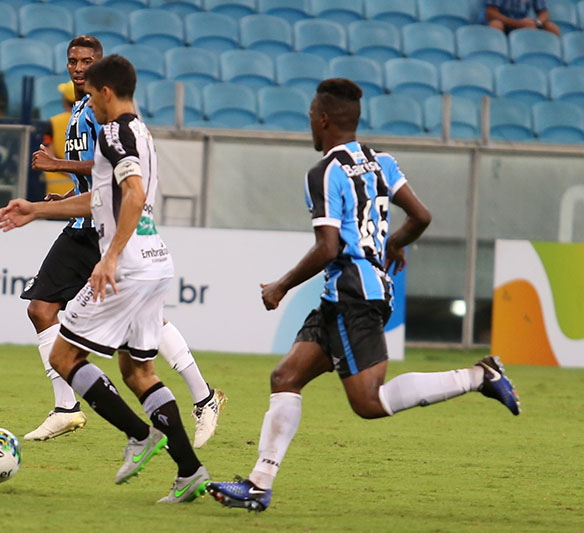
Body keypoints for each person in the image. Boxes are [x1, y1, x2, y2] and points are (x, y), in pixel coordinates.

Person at [206, 78, 521, 513]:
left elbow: (328, 247)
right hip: (348, 293)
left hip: (354, 294)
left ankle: (479, 376)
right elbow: (421, 216)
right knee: (286, 377)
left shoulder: (323, 172)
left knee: (370, 402)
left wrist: (281, 286)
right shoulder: (381, 161)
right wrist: (394, 244)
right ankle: (259, 485)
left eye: (310, 119)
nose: (309, 128)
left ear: (322, 119)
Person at [0, 54, 210, 503]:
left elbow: (131, 195)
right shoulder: (142, 133)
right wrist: (37, 209)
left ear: (107, 92)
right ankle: (189, 472)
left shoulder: (113, 134)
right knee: (138, 371)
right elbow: (103, 199)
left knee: (63, 357)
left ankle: (139, 434)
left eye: (91, 95)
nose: (87, 104)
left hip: (129, 268)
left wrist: (109, 257)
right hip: (155, 262)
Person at [41, 81, 76, 198]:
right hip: (85, 192)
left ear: (65, 99)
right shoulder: (93, 122)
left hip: (56, 191)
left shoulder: (53, 122)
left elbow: (47, 154)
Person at [484, 0, 561, 36]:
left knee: (551, 27)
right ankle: (499, 56)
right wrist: (519, 23)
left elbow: (544, 13)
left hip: (525, 25)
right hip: (505, 23)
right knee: (496, 24)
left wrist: (536, 22)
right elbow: (491, 13)